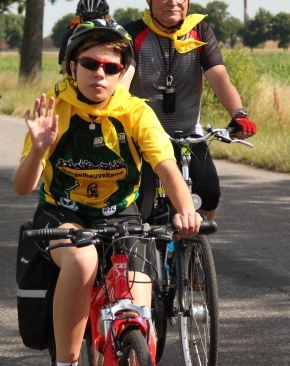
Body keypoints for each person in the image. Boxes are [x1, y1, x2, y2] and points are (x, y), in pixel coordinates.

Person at [12, 19, 202, 366]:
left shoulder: (136, 113)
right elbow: (23, 186)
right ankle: (66, 361)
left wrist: (186, 210)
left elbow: (166, 166)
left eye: (110, 67)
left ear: (120, 73)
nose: (99, 73)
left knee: (139, 306)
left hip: (121, 215)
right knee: (83, 261)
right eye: (90, 63)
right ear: (73, 66)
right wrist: (39, 149)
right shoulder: (56, 110)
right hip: (64, 213)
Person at [122, 0, 257, 222]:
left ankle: (197, 254)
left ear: (188, 0)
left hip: (187, 136)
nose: (172, 1)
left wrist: (239, 113)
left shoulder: (200, 31)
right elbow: (124, 79)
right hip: (143, 136)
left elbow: (218, 75)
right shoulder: (133, 33)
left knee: (209, 194)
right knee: (144, 209)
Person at [58, 0, 111, 74]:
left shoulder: (113, 33)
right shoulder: (71, 36)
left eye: (96, 18)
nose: (91, 22)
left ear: (105, 17)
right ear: (80, 19)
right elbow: (65, 66)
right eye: (86, 18)